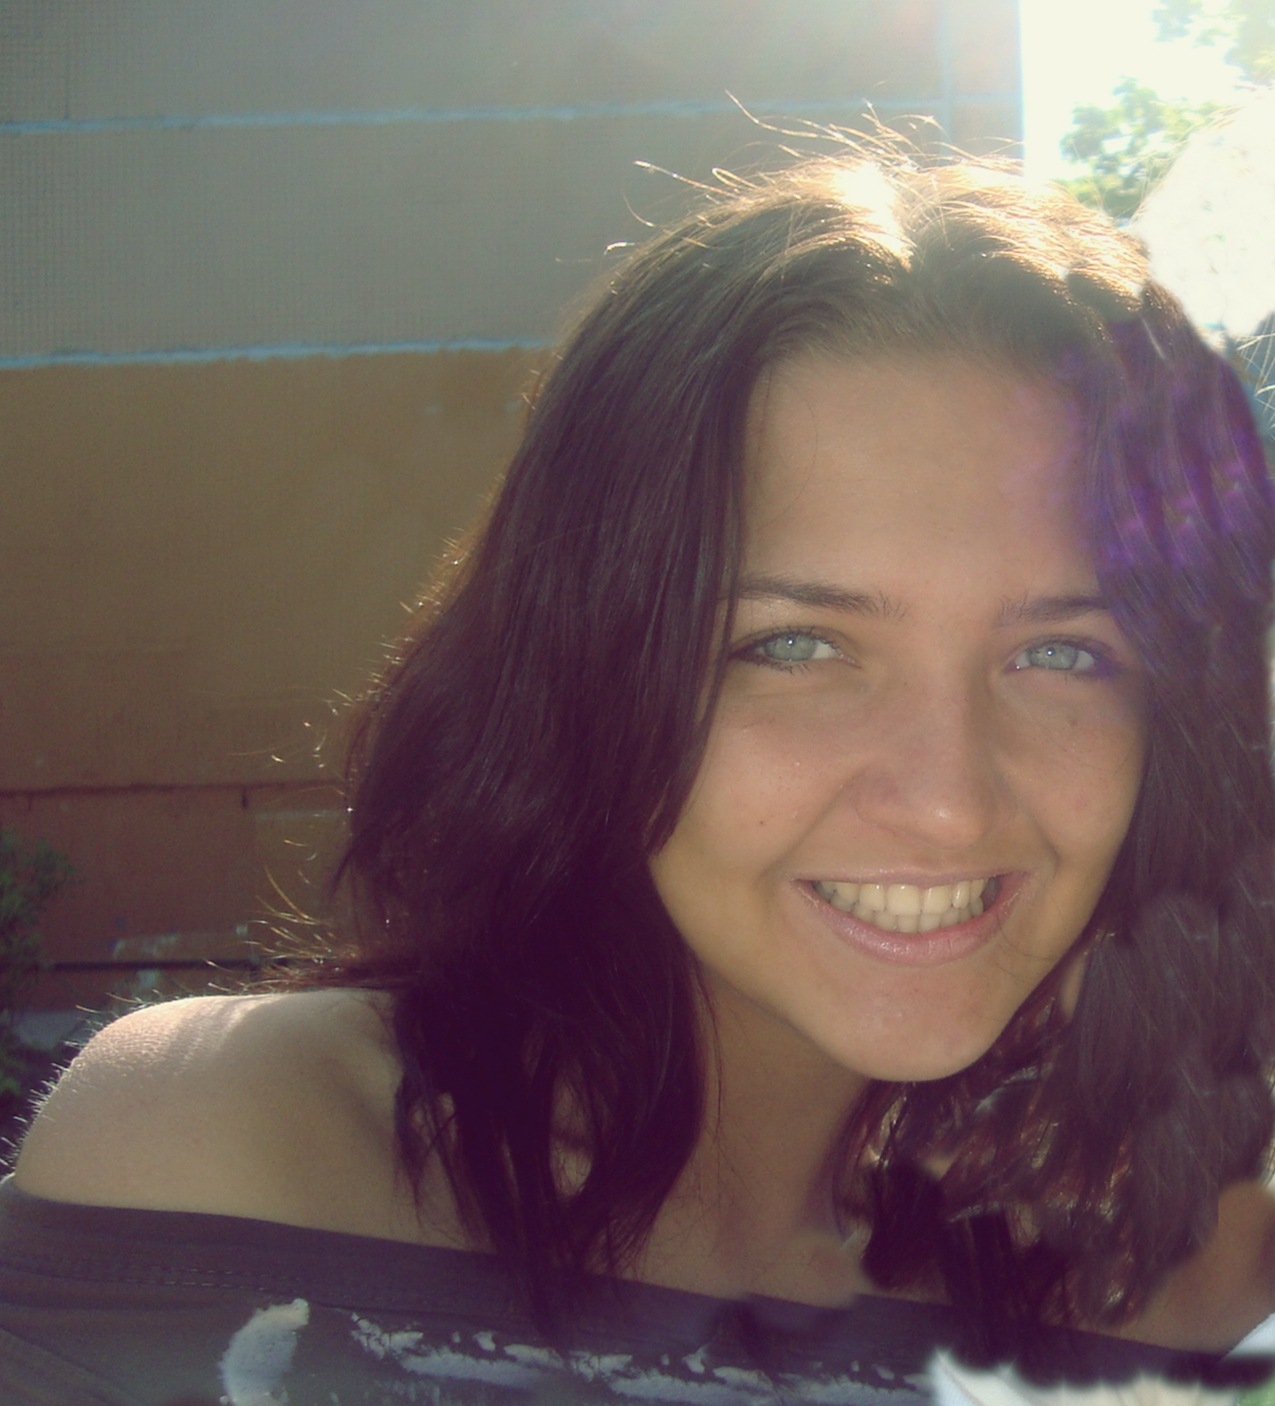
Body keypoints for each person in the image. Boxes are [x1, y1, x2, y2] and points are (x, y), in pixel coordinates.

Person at [4, 143, 1275, 1405]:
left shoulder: (1175, 1283)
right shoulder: (232, 1163)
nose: (950, 801)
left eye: (1062, 651)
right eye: (796, 645)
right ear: (585, 666)